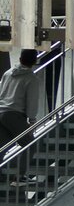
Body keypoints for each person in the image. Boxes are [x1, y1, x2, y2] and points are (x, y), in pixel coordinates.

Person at [0, 49, 43, 186]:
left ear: (20, 58)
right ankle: (19, 177)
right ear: (35, 61)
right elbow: (32, 100)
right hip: (14, 114)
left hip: (1, 112)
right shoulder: (31, 78)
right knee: (29, 143)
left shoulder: (7, 74)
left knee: (3, 145)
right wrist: (32, 119)